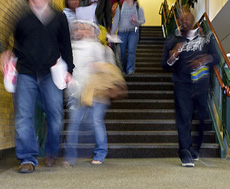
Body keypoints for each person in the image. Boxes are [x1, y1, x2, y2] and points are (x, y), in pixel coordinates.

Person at [0, 0, 74, 173]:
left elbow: (65, 46)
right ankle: (27, 158)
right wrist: (4, 51)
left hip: (50, 72)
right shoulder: (21, 15)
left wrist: (70, 70)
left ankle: (51, 151)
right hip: (25, 72)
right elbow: (5, 38)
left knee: (55, 117)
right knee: (23, 116)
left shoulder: (59, 17)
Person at [63, 20, 126, 166]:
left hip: (98, 92)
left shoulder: (101, 49)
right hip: (76, 92)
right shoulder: (70, 47)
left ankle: (100, 152)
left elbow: (111, 70)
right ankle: (70, 156)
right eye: (78, 28)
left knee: (96, 121)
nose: (81, 31)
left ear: (94, 31)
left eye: (85, 28)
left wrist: (100, 66)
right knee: (74, 123)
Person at [161, 11, 220, 167]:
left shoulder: (205, 39)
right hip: (182, 84)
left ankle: (196, 149)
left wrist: (203, 59)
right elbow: (164, 65)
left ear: (194, 20)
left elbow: (217, 57)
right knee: (184, 118)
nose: (183, 20)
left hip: (201, 85)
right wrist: (173, 56)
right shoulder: (173, 40)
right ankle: (185, 152)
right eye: (181, 19)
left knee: (201, 119)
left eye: (186, 17)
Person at [111, 0, 145, 75]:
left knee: (131, 51)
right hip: (122, 32)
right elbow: (116, 21)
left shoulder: (138, 7)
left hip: (134, 32)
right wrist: (112, 33)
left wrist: (137, 21)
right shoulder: (120, 7)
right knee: (122, 52)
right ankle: (124, 68)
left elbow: (143, 20)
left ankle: (130, 69)